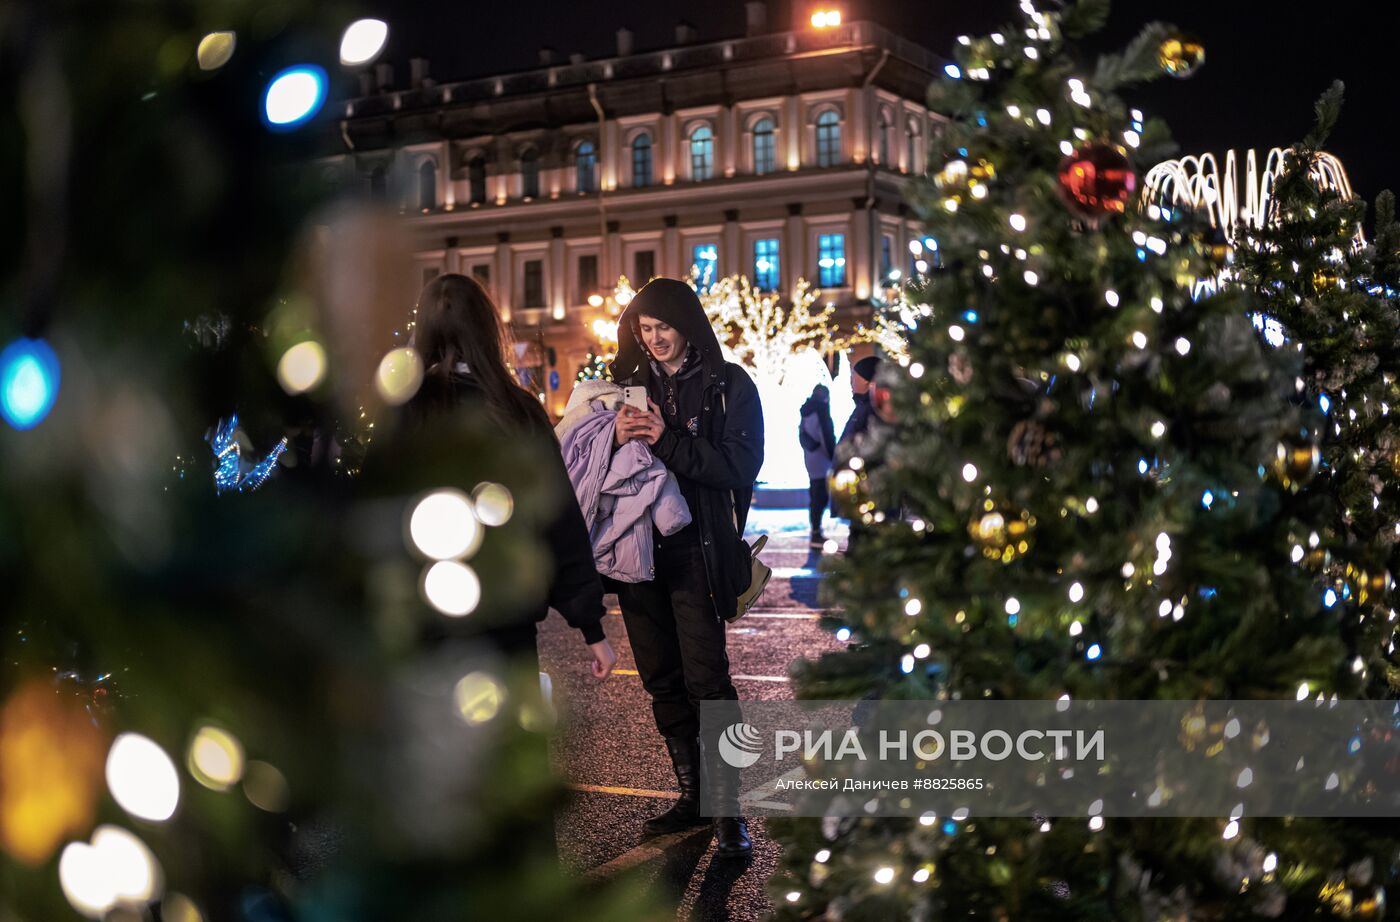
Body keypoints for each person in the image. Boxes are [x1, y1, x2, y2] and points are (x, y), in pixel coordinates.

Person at [609, 277, 763, 859]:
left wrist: (665, 440)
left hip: (698, 553)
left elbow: (739, 465)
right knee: (662, 682)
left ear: (689, 325)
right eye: (645, 331)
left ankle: (729, 811)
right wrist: (613, 439)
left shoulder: (728, 384)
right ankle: (692, 794)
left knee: (708, 684)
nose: (655, 341)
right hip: (637, 557)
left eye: (664, 328)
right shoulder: (626, 387)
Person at [405, 273, 617, 679]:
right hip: (505, 612)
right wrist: (591, 627)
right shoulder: (514, 409)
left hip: (424, 614)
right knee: (509, 733)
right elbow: (558, 519)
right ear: (487, 329)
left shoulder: (404, 409)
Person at [798, 384, 836, 548]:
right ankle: (816, 533)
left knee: (815, 494)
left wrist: (810, 447)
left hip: (811, 458)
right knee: (820, 496)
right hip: (822, 460)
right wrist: (834, 457)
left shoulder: (806, 410)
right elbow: (827, 436)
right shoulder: (821, 409)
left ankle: (815, 530)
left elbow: (802, 434)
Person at [837, 355, 881, 449]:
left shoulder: (871, 409)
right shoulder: (863, 405)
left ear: (865, 380)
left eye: (853, 376)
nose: (851, 381)